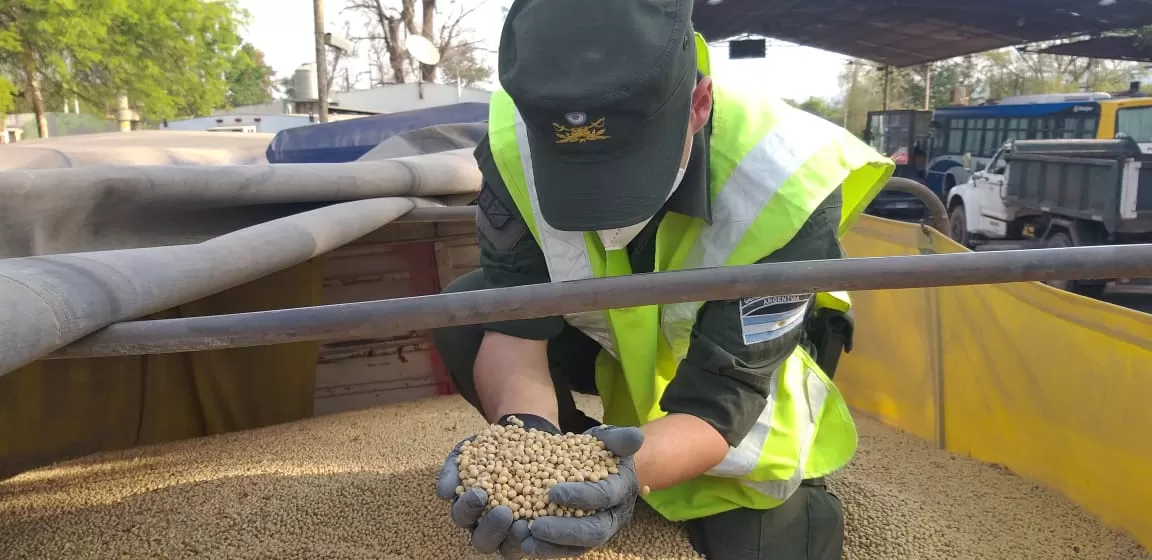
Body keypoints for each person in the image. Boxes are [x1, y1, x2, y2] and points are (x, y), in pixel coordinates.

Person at [432, 0, 894, 558]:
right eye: (575, 177)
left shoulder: (787, 180)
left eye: (628, 171)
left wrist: (627, 475)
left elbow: (727, 393)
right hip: (618, 339)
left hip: (743, 361)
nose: (605, 211)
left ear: (700, 103)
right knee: (468, 312)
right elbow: (515, 340)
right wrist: (525, 444)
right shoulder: (515, 146)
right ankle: (590, 464)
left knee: (764, 536)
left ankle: (774, 505)